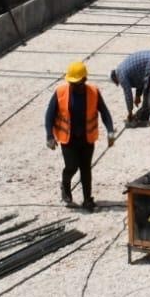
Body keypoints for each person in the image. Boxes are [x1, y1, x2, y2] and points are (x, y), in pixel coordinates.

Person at [45, 62, 116, 211]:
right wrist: (49, 136)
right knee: (72, 166)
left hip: (86, 138)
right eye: (71, 82)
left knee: (85, 168)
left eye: (76, 83)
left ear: (84, 80)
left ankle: (87, 199)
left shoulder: (93, 92)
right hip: (68, 138)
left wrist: (110, 130)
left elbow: (104, 112)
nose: (73, 85)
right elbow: (49, 114)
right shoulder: (60, 92)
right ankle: (65, 185)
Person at [110, 48, 150, 124]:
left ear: (115, 79)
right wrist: (138, 96)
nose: (119, 84)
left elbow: (128, 95)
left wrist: (130, 112)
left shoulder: (121, 75)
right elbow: (140, 79)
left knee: (148, 89)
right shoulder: (122, 68)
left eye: (117, 83)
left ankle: (146, 114)